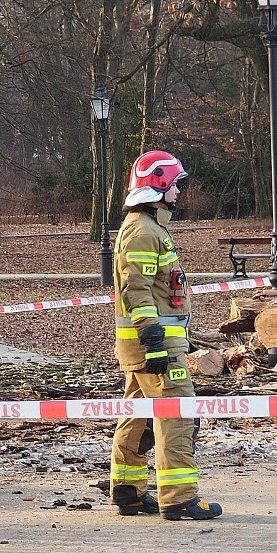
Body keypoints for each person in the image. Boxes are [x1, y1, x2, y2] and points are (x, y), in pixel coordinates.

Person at [110, 150, 222, 521]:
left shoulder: (146, 227)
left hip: (145, 346)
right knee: (178, 415)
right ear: (158, 186)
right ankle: (179, 497)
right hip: (154, 347)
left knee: (138, 416)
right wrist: (155, 340)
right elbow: (136, 290)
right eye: (175, 185)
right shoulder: (143, 231)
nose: (179, 192)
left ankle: (128, 490)